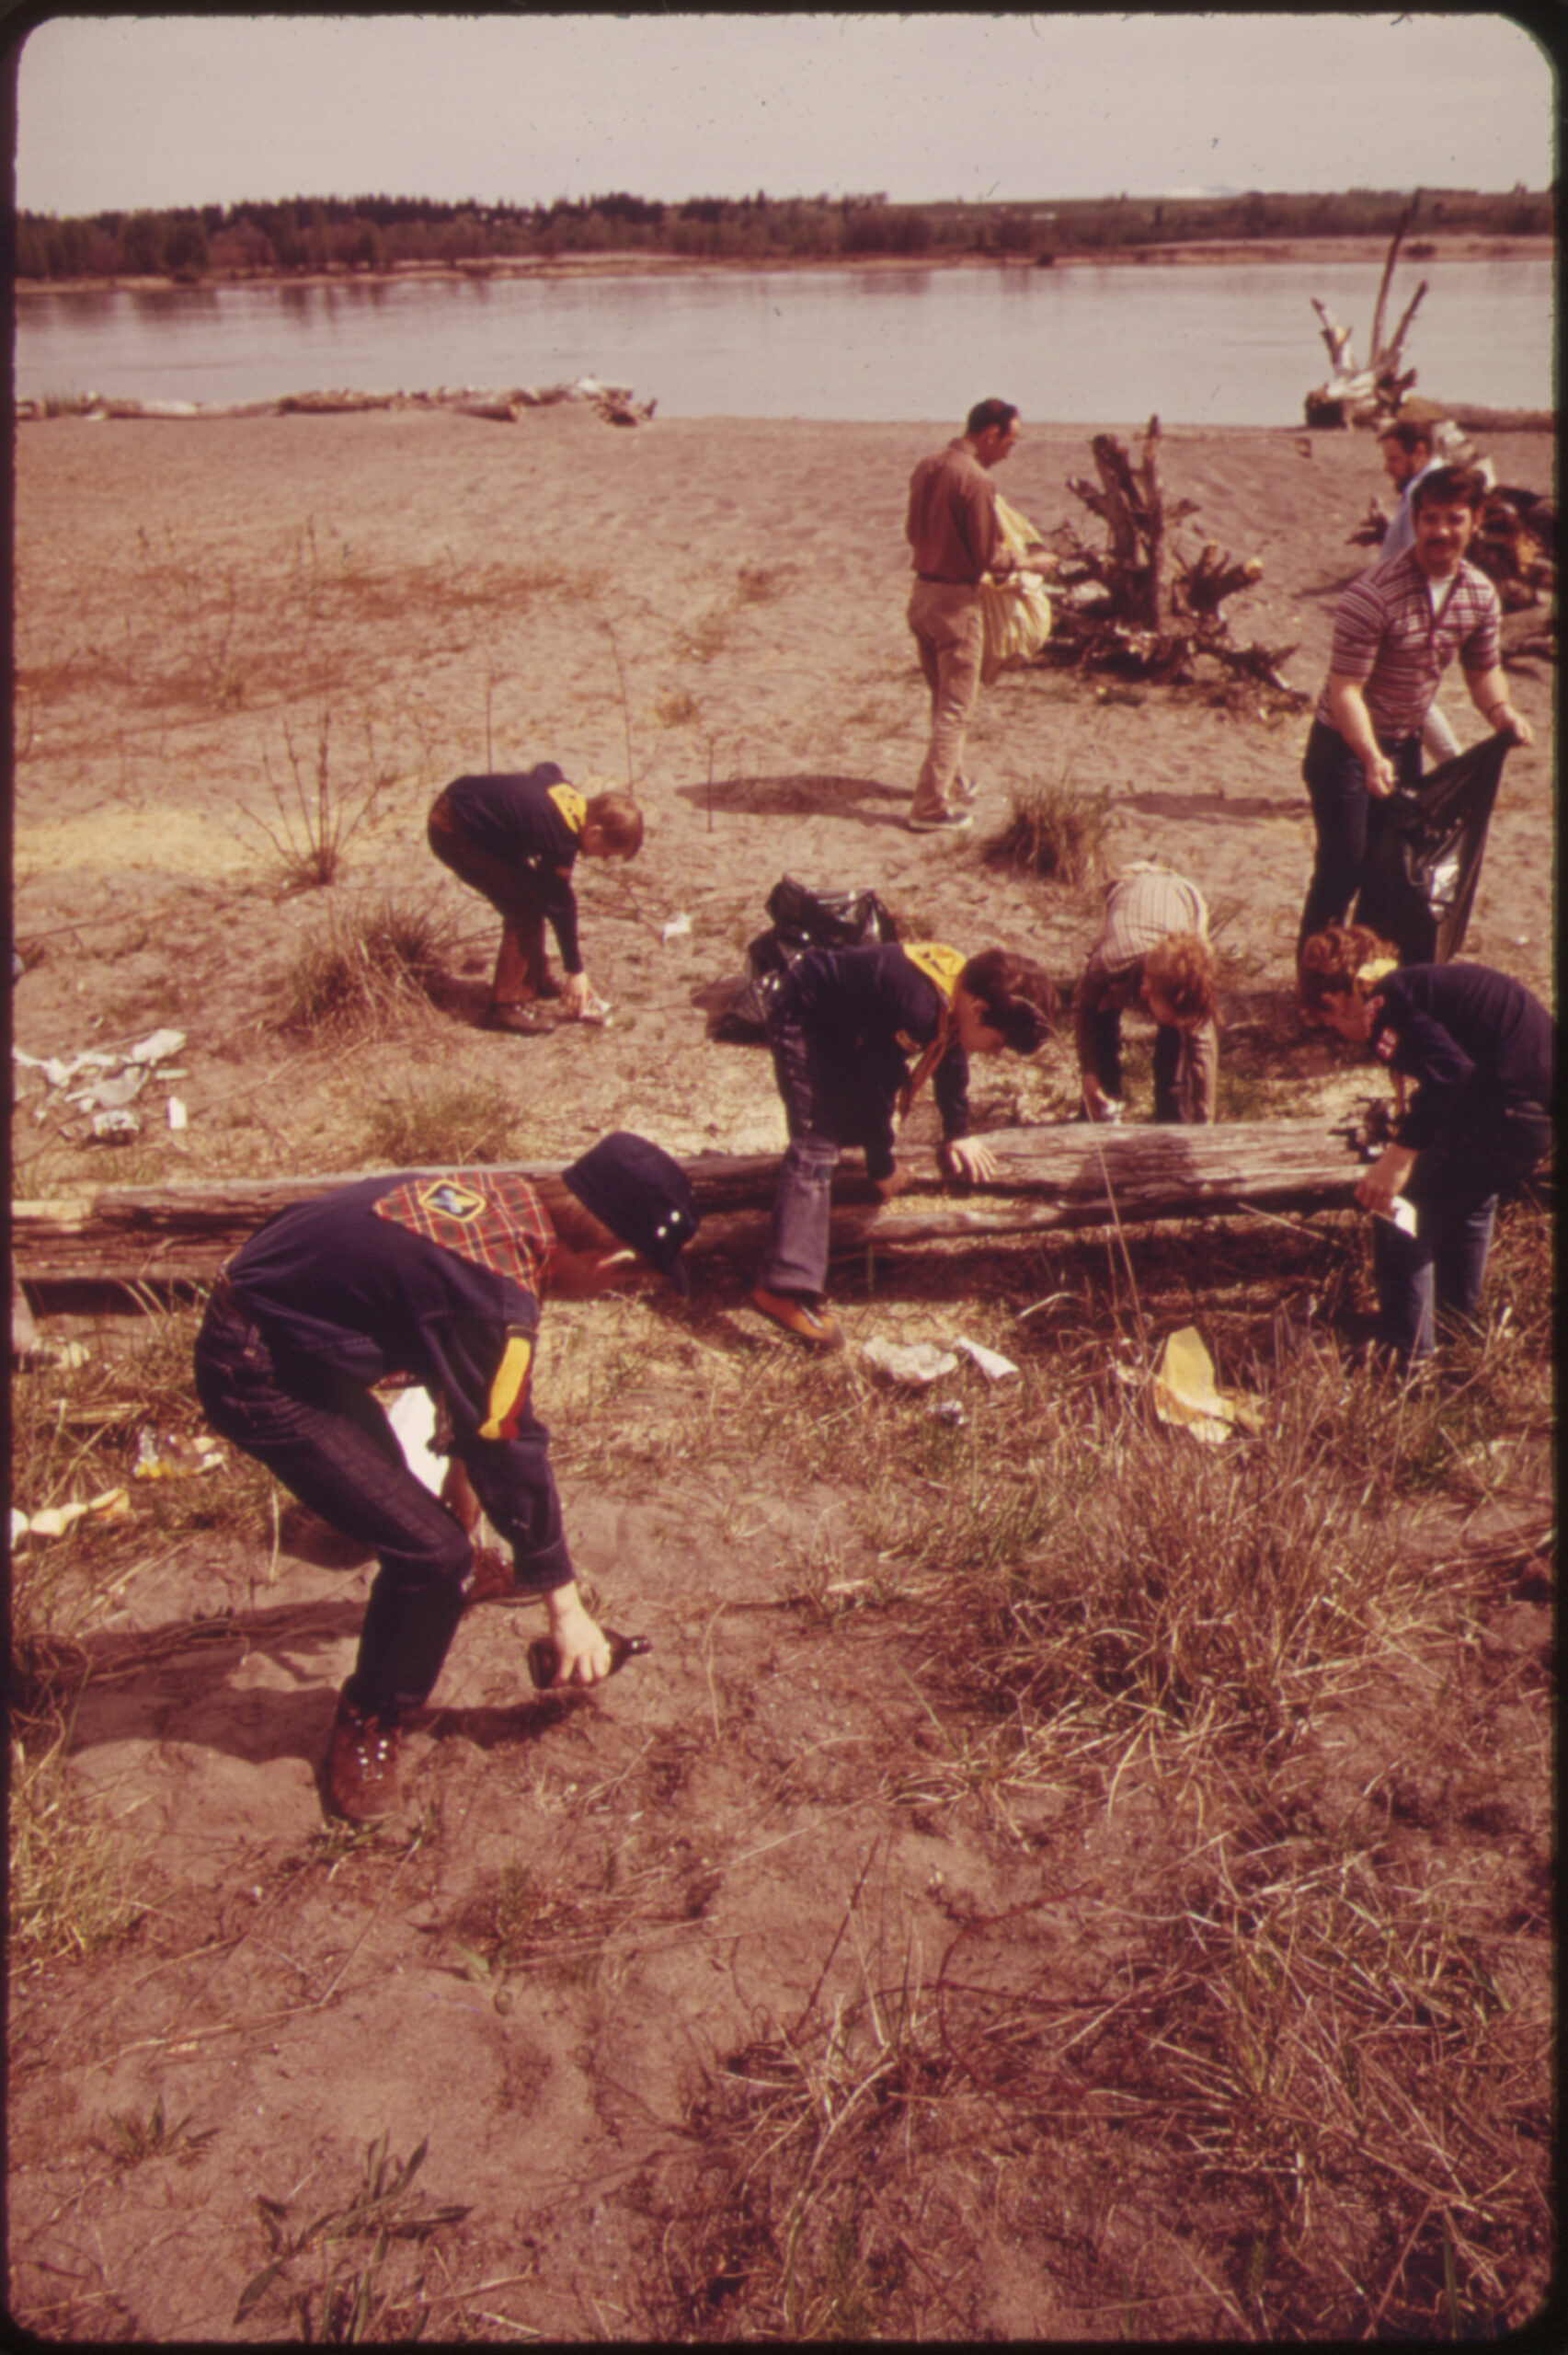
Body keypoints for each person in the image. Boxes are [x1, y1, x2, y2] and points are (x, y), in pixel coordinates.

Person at [194, 1132, 700, 1820]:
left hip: (293, 1330)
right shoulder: (492, 1294)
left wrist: (457, 1482)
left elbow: (444, 1349)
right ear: (610, 1257)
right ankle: (370, 1715)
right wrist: (566, 1609)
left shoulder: (501, 1204)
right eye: (627, 1280)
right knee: (432, 1552)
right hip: (260, 1372)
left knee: (422, 1520)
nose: (613, 1292)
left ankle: (447, 1581)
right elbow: (510, 1445)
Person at [751, 941, 1056, 1347]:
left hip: (844, 1022)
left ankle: (826, 1233)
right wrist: (882, 1166)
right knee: (817, 1141)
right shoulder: (918, 1006)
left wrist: (958, 1132)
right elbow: (878, 1085)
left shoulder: (957, 993)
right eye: (999, 1043)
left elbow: (950, 1052)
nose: (997, 1054)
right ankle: (784, 1286)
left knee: (848, 1128)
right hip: (804, 1010)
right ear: (980, 1011)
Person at [1297, 465, 1531, 959]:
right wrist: (1367, 755)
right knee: (1345, 864)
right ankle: (1315, 982)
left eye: (1453, 519)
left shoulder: (1479, 596)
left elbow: (1482, 669)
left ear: (1475, 521)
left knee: (1390, 869)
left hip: (1402, 744)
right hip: (1342, 743)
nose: (1440, 531)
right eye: (1429, 519)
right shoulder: (1373, 593)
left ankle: (1360, 978)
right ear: (1415, 521)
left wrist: (1501, 712)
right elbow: (1345, 691)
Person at [1298, 925, 1552, 1366]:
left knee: (1397, 1208)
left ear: (1335, 1000)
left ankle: (1408, 1359)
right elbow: (1459, 1070)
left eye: (1332, 1023)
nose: (1341, 1033)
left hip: (1509, 1107)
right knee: (1470, 1201)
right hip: (1538, 1111)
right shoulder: (1415, 985)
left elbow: (1451, 1073)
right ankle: (1458, 1337)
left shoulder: (1384, 1005)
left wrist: (1397, 1162)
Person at [904, 398, 1049, 837]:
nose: (1010, 451)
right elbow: (990, 556)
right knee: (956, 707)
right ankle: (928, 807)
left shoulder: (927, 466)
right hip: (954, 602)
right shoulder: (976, 480)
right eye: (1010, 441)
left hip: (921, 596)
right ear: (989, 435)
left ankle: (952, 780)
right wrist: (1030, 564)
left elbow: (913, 533)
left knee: (941, 695)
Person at [428, 764, 643, 1035]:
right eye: (606, 852)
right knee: (524, 909)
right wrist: (575, 970)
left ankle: (533, 979)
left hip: (464, 802)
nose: (600, 858)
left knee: (531, 894)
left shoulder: (571, 798)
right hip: (453, 826)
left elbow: (547, 769)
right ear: (595, 832)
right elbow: (561, 904)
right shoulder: (561, 837)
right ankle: (505, 1006)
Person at [1074, 864, 1219, 1124]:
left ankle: (1171, 1106)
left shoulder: (1195, 978)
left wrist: (1205, 1119)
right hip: (1131, 890)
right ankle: (1105, 1099)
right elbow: (1083, 1009)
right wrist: (1089, 1073)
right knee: (1102, 1018)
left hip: (1182, 898)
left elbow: (1203, 1049)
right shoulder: (1109, 963)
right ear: (1145, 992)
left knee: (1176, 1035)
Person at [1371, 411, 1460, 759]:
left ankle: (1455, 768)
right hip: (1405, 609)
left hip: (1408, 612)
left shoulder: (1424, 493)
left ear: (1418, 452)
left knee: (1410, 695)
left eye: (1394, 458)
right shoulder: (1427, 486)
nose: (1387, 467)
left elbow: (1421, 559)